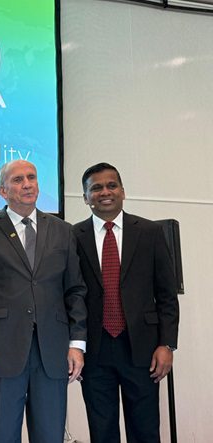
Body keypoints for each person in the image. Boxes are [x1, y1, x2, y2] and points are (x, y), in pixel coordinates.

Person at [0, 159, 87, 443]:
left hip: (52, 351)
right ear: (2, 191)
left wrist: (77, 344)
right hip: (0, 353)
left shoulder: (63, 231)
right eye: (18, 180)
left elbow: (75, 291)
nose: (27, 184)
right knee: (3, 435)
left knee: (51, 436)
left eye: (32, 177)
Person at [73, 162, 179, 443]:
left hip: (143, 349)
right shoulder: (73, 237)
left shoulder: (150, 232)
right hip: (95, 350)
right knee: (102, 431)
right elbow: (69, 296)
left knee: (145, 430)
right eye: (96, 188)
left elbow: (166, 295)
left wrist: (167, 344)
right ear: (85, 197)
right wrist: (74, 346)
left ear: (123, 191)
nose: (105, 192)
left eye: (111, 185)